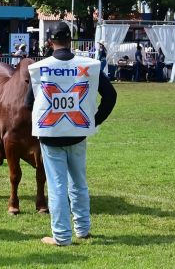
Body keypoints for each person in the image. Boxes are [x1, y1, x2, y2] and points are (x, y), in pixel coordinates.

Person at [27, 25, 117, 246]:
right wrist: (94, 120)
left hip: (51, 134)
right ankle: (83, 228)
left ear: (50, 42)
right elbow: (111, 96)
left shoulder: (40, 68)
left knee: (57, 186)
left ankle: (61, 236)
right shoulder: (89, 65)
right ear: (70, 40)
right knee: (78, 182)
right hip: (78, 132)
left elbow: (28, 103)